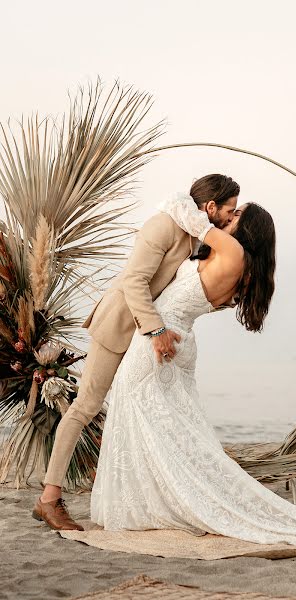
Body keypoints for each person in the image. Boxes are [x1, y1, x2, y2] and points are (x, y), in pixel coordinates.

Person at [90, 193, 296, 547]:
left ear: (247, 229)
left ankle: (160, 503)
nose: (229, 216)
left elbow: (186, 215)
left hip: (161, 338)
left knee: (149, 417)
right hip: (179, 339)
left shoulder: (232, 252)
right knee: (174, 427)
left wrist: (184, 200)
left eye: (236, 214)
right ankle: (161, 499)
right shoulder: (239, 266)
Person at [32, 174, 240, 531]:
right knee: (85, 407)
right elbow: (134, 281)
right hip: (119, 327)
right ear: (210, 208)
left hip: (145, 339)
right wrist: (156, 330)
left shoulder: (197, 237)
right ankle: (49, 500)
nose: (230, 218)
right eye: (229, 210)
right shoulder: (162, 227)